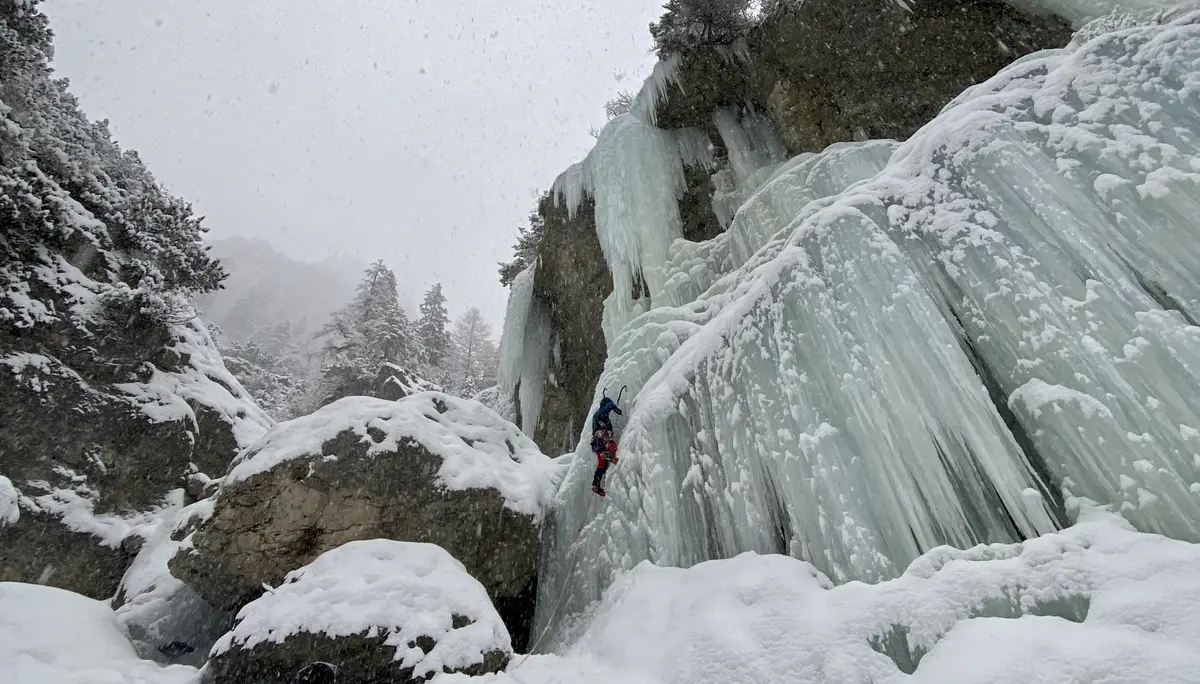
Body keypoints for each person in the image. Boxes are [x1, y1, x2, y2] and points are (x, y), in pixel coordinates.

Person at [590, 396, 623, 496]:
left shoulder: (600, 416)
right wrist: (614, 407)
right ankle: (609, 455)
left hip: (596, 444)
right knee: (612, 446)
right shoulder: (599, 413)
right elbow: (607, 407)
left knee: (602, 465)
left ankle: (596, 485)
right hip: (601, 440)